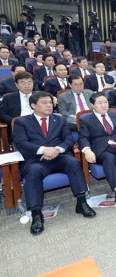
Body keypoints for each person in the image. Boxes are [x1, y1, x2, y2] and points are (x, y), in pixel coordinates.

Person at [12, 91, 96, 235]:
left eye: (50, 102)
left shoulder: (60, 119)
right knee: (33, 172)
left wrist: (56, 150)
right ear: (33, 106)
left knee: (74, 163)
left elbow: (69, 140)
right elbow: (21, 143)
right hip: (36, 160)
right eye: (44, 103)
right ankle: (37, 215)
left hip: (59, 156)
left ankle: (81, 203)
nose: (49, 105)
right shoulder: (22, 122)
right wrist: (44, 150)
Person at [79, 92, 116, 208]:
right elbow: (83, 138)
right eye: (99, 103)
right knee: (109, 158)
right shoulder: (86, 120)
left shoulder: (115, 115)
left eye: (105, 102)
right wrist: (87, 150)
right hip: (101, 151)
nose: (103, 105)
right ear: (92, 105)